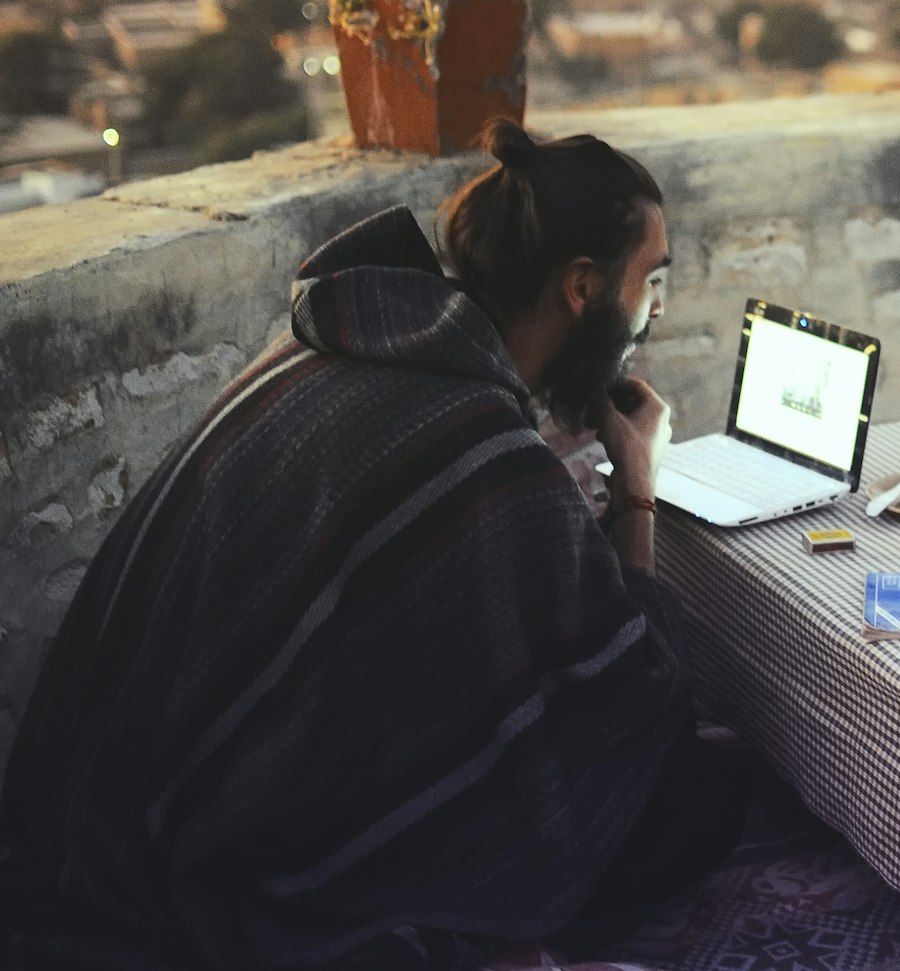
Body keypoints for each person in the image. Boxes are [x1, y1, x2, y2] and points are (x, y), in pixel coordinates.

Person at [0, 121, 751, 970]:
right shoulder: (485, 454)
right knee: (705, 789)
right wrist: (636, 480)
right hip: (207, 891)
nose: (657, 310)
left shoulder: (344, 339)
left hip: (88, 822)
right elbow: (637, 701)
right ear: (582, 287)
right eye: (651, 282)